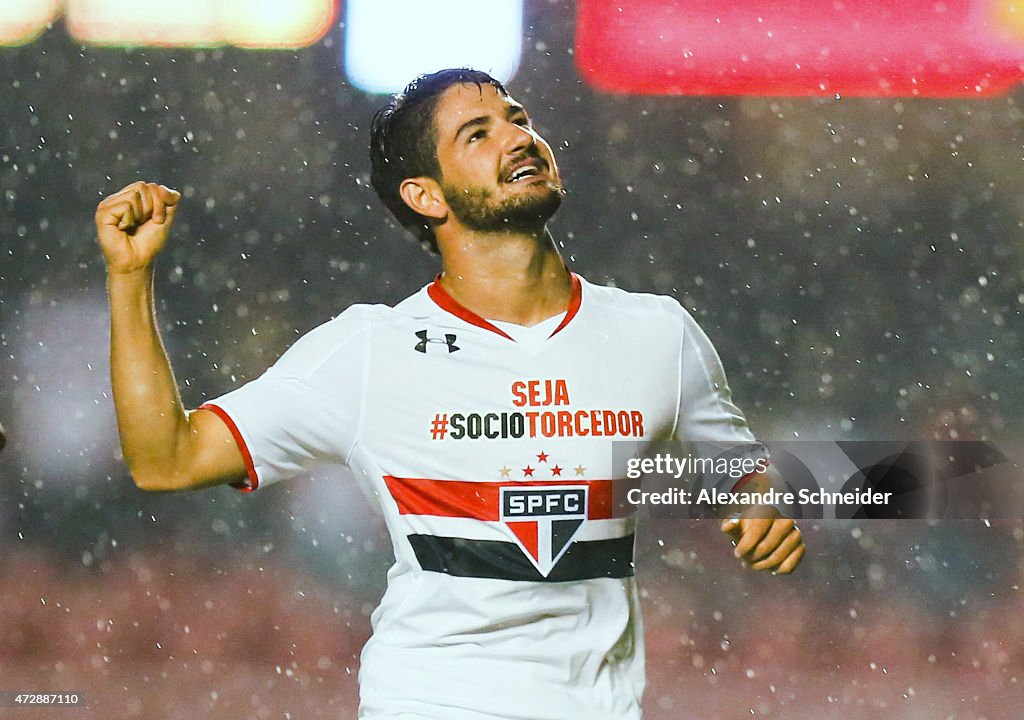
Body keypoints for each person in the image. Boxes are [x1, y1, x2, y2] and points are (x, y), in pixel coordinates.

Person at [95, 68, 804, 720]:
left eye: (517, 118)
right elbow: (167, 459)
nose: (519, 138)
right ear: (425, 194)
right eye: (479, 132)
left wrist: (759, 498)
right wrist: (130, 281)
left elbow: (737, 468)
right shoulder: (370, 351)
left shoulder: (659, 333)